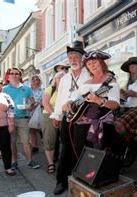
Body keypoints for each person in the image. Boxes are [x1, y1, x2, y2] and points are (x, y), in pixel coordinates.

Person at [51, 41, 91, 195]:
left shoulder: (89, 74)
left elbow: (85, 91)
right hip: (66, 118)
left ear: (82, 59)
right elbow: (60, 98)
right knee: (65, 149)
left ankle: (80, 180)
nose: (73, 59)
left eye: (76, 57)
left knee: (81, 148)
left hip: (82, 117)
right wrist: (56, 115)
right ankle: (62, 181)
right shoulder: (65, 78)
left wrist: (72, 101)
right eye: (70, 57)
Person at [2, 67, 40, 170]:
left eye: (17, 74)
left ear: (20, 76)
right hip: (9, 119)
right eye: (12, 74)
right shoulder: (4, 89)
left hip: (23, 118)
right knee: (12, 141)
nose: (14, 75)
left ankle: (29, 160)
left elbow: (32, 101)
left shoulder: (26, 89)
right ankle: (14, 162)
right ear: (9, 76)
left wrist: (30, 105)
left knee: (26, 141)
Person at [41, 72, 65, 174]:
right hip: (49, 116)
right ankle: (51, 163)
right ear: (55, 79)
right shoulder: (50, 89)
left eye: (64, 78)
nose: (61, 79)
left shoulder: (68, 90)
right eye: (59, 78)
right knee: (49, 140)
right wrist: (55, 115)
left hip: (64, 117)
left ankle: (63, 161)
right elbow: (45, 103)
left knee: (64, 140)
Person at [29, 75, 43, 153]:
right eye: (33, 79)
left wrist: (40, 104)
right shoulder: (28, 90)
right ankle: (34, 146)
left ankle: (47, 145)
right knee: (32, 129)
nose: (35, 80)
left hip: (40, 111)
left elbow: (44, 100)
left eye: (37, 78)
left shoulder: (43, 90)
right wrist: (29, 105)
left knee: (42, 128)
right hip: (30, 111)